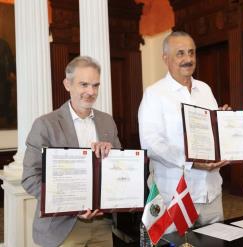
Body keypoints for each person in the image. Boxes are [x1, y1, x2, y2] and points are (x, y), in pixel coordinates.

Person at [22, 56, 121, 247]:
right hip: (61, 228)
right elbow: (30, 177)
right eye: (84, 84)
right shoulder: (45, 124)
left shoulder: (107, 122)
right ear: (67, 84)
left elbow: (119, 172)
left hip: (103, 226)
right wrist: (69, 206)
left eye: (95, 85)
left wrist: (113, 156)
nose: (91, 92)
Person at [138, 31, 230, 230]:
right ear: (165, 58)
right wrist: (192, 163)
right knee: (174, 244)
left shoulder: (205, 90)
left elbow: (214, 135)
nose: (188, 59)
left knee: (215, 244)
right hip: (174, 196)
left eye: (191, 52)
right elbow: (151, 145)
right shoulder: (155, 94)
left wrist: (225, 123)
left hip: (211, 193)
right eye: (180, 53)